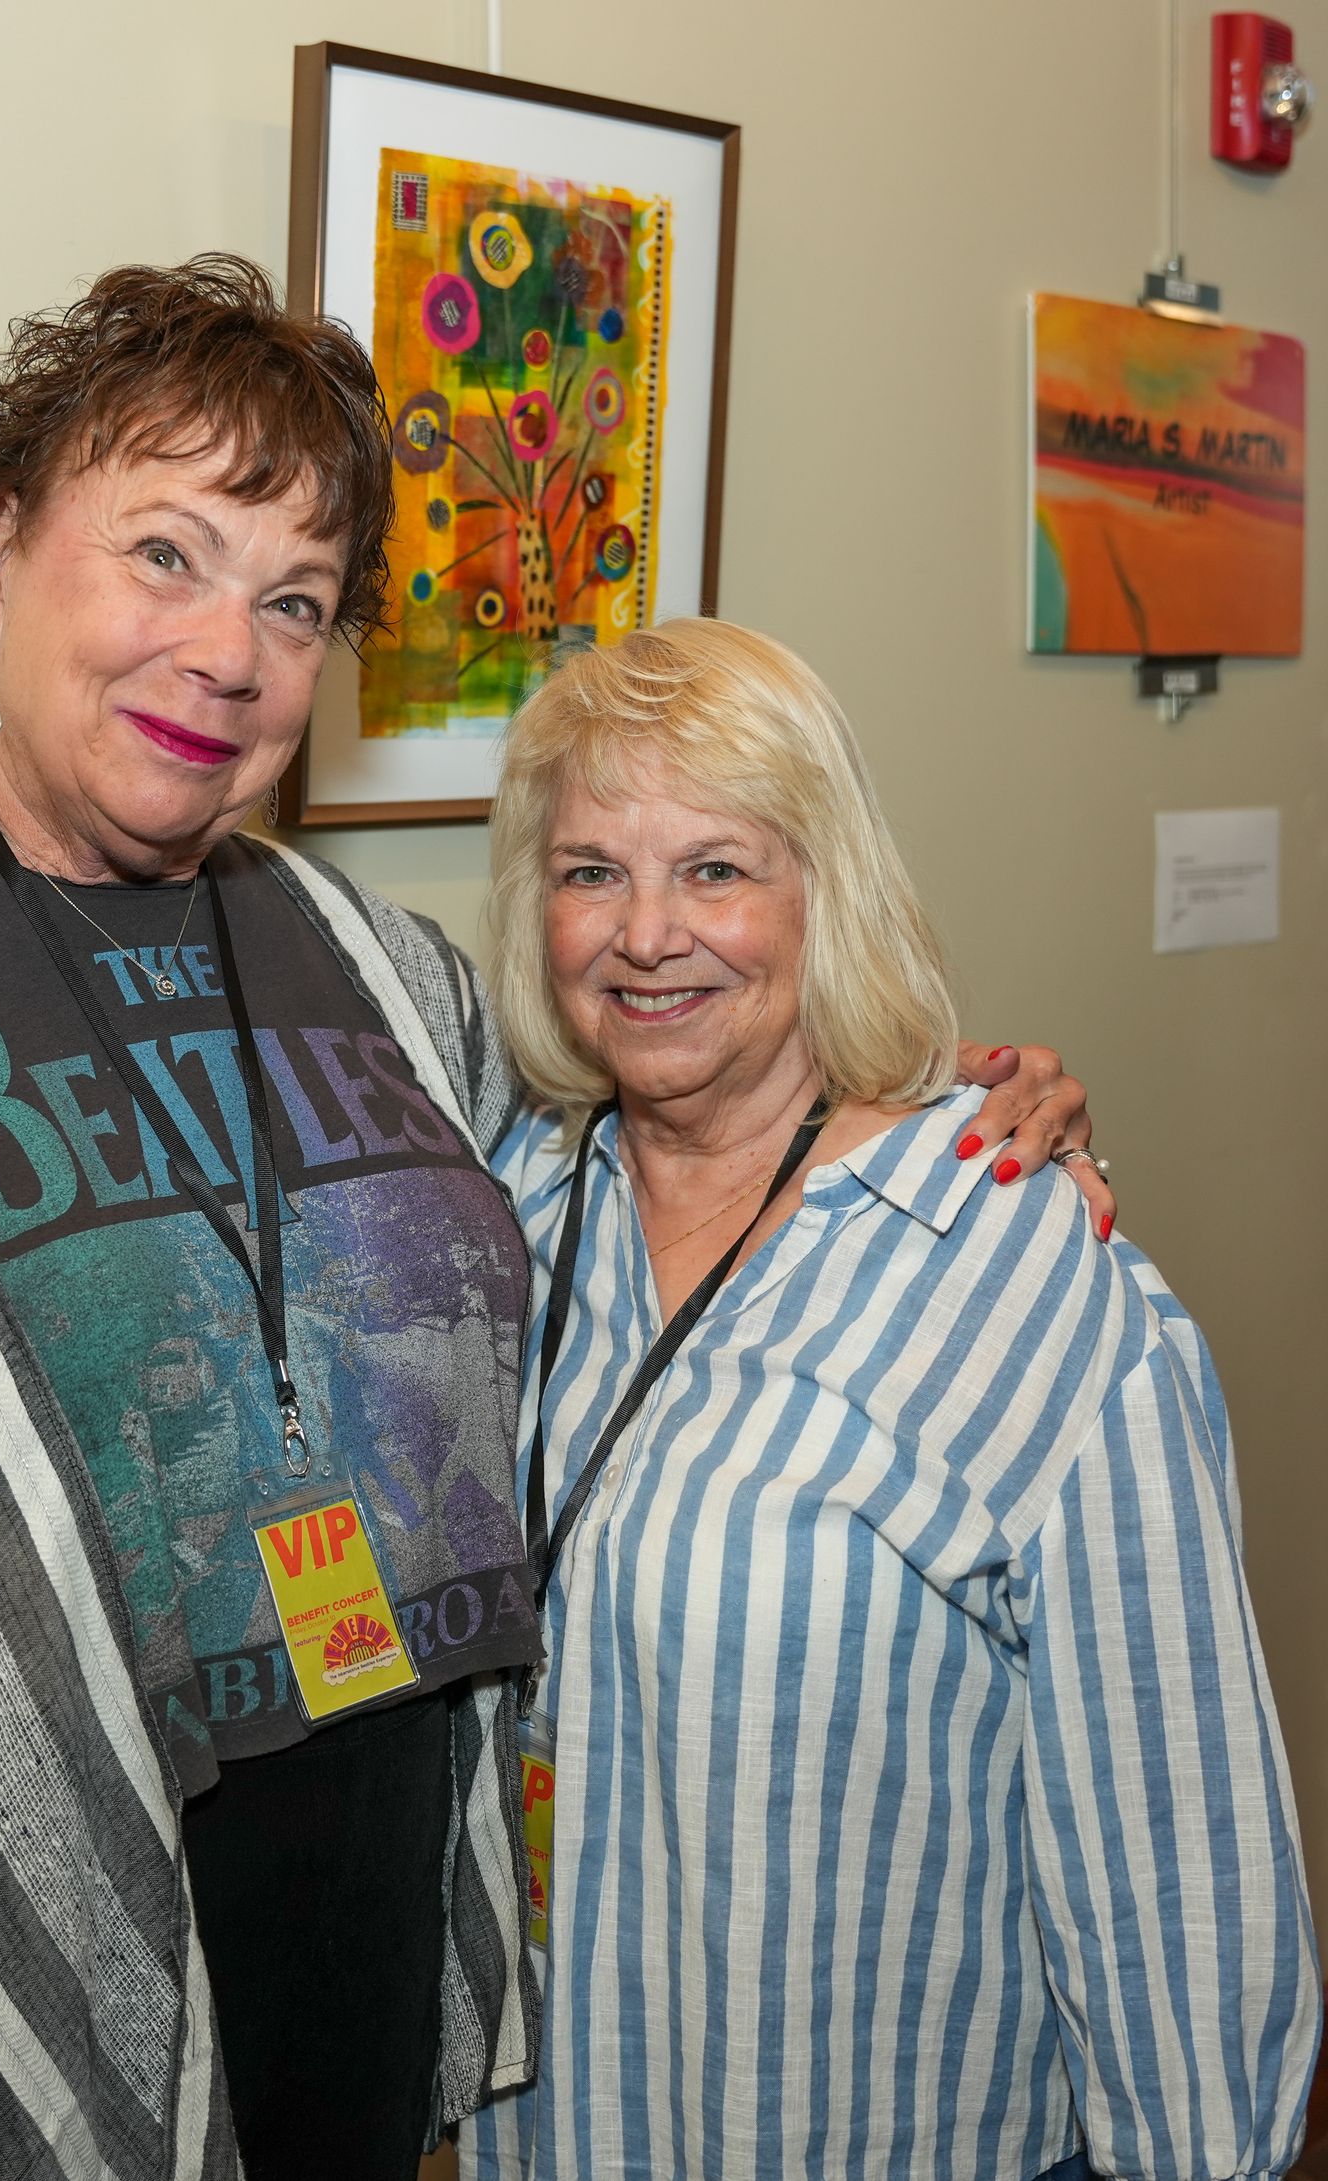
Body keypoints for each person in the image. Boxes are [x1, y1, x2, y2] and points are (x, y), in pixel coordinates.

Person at [0, 260, 1098, 2181]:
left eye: (294, 601)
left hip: (373, 1985)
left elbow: (650, 1205)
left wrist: (931, 1120)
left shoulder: (385, 971)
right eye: (166, 553)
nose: (229, 650)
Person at [466, 619, 1318, 2181]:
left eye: (717, 869)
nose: (647, 932)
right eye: (593, 871)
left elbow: (1174, 1866)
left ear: (825, 889)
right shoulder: (500, 1209)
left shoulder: (1019, 1270)